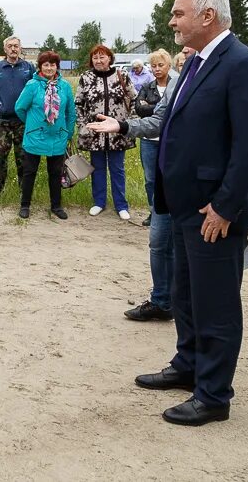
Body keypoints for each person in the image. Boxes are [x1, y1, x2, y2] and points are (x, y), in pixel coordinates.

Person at [131, 0, 248, 426]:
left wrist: (226, 207)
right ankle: (188, 365)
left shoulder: (242, 65)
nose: (171, 21)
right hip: (186, 205)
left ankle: (213, 395)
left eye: (178, 13)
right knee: (186, 294)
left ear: (207, 17)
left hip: (216, 211)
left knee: (216, 303)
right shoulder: (197, 63)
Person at [88, 59, 179, 322]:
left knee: (190, 247)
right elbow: (156, 120)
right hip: (167, 175)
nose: (183, 51)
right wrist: (123, 125)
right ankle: (162, 302)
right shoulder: (179, 83)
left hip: (195, 178)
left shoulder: (223, 71)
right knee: (159, 242)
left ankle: (189, 301)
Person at [75, 44, 135, 220]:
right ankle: (99, 202)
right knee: (98, 168)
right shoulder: (86, 77)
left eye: (102, 57)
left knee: (117, 169)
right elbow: (78, 104)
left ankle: (121, 205)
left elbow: (134, 100)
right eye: (95, 57)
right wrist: (83, 126)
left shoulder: (121, 75)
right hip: (95, 133)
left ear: (110, 58)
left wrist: (129, 124)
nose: (99, 61)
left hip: (117, 133)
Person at [13, 50, 75, 220]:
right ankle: (25, 205)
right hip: (35, 136)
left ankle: (56, 206)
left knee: (56, 172)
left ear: (57, 67)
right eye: (46, 65)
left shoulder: (65, 86)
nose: (49, 68)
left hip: (58, 136)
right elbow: (19, 108)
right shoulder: (32, 85)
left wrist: (68, 132)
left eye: (52, 65)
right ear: (40, 66)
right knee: (29, 172)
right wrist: (32, 124)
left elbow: (71, 111)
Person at [0, 36, 35, 198]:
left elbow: (37, 90)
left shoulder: (28, 68)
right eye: (10, 46)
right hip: (2, 121)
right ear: (5, 49)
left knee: (23, 158)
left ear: (20, 48)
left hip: (23, 121)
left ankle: (24, 191)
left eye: (16, 46)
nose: (13, 49)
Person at [134, 49, 173, 227]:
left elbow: (172, 111)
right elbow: (139, 110)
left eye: (160, 65)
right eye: (153, 66)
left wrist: (151, 106)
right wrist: (159, 107)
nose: (157, 69)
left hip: (170, 140)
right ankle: (153, 212)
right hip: (149, 140)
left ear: (168, 66)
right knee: (150, 179)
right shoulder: (146, 87)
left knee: (169, 177)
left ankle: (170, 211)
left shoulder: (176, 85)